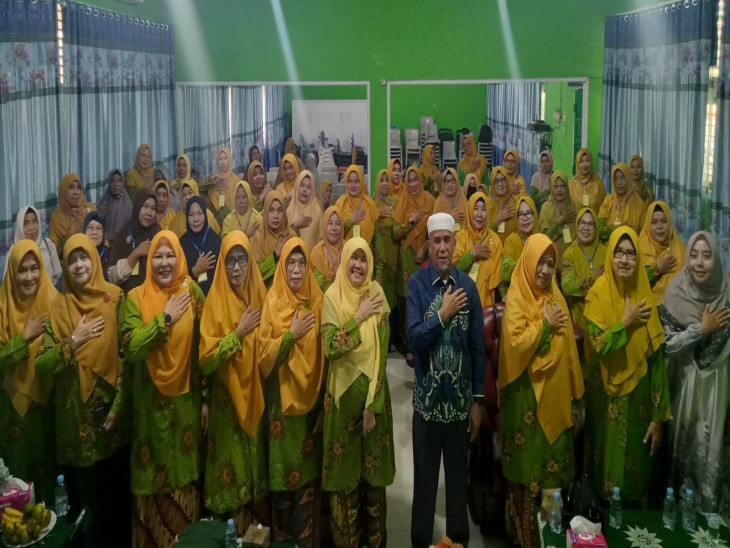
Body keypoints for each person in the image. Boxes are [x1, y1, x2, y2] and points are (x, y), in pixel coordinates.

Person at [35, 234, 128, 547]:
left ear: (94, 259)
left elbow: (126, 357)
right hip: (74, 424)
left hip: (111, 421)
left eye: (84, 257)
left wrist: (120, 404)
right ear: (64, 266)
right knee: (85, 513)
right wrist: (73, 341)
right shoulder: (57, 307)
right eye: (72, 260)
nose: (78, 266)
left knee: (115, 503)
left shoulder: (114, 297)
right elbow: (42, 365)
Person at [121, 230, 206, 548]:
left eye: (171, 255)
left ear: (180, 258)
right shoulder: (135, 298)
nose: (165, 262)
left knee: (184, 492)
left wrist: (207, 399)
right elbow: (131, 348)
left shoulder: (192, 292)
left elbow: (204, 347)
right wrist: (164, 319)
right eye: (158, 255)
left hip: (186, 411)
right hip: (149, 417)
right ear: (149, 260)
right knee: (151, 496)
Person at [498, 233, 584, 547]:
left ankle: (550, 538)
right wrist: (545, 324)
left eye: (551, 263)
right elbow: (516, 344)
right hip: (524, 404)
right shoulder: (517, 297)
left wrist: (578, 397)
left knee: (552, 481)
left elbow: (570, 352)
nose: (546, 270)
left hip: (555, 400)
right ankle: (524, 539)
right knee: (526, 479)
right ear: (528, 261)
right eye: (541, 262)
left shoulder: (556, 297)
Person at [407, 212, 485, 548]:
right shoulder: (417, 285)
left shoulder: (468, 287)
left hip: (458, 408)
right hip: (426, 408)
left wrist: (477, 402)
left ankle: (458, 543)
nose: (442, 247)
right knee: (424, 487)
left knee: (456, 485)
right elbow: (413, 339)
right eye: (436, 241)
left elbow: (477, 349)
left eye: (447, 241)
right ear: (428, 246)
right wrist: (442, 316)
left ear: (455, 245)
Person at [583, 227, 671, 505]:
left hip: (638, 406)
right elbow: (598, 344)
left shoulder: (644, 296)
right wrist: (625, 323)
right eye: (618, 252)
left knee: (635, 477)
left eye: (630, 254)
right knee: (601, 473)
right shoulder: (597, 294)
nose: (623, 259)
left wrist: (658, 418)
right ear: (610, 256)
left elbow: (656, 361)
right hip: (603, 402)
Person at [322, 237, 395, 547]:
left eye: (364, 259)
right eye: (354, 258)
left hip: (373, 405)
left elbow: (382, 356)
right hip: (341, 405)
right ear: (344, 261)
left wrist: (373, 406)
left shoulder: (377, 293)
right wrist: (359, 316)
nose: (358, 265)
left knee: (374, 484)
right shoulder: (332, 296)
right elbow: (331, 347)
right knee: (345, 483)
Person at [199, 232, 269, 533]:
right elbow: (206, 360)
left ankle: (255, 533)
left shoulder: (261, 296)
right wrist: (237, 335)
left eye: (242, 260)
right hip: (227, 403)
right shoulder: (214, 302)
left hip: (257, 395)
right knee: (232, 471)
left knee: (255, 471)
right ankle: (230, 533)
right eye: (230, 261)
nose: (237, 267)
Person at [258, 238, 326, 547]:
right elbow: (264, 359)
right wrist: (291, 336)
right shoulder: (272, 302)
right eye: (290, 264)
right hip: (281, 408)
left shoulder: (318, 301)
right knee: (282, 481)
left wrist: (323, 404)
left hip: (311, 405)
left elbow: (327, 356)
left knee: (307, 484)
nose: (296, 270)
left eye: (301, 263)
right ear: (282, 268)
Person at [659, 231, 730, 513]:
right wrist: (702, 329)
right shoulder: (675, 292)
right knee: (682, 450)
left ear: (716, 259)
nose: (700, 263)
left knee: (712, 452)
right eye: (694, 255)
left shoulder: (727, 292)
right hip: (683, 386)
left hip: (717, 390)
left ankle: (709, 517)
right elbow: (667, 346)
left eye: (707, 256)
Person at [0, 241, 58, 505]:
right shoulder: (3, 307)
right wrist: (23, 338)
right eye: (22, 270)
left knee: (52, 483)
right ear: (12, 272)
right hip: (14, 415)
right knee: (18, 490)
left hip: (49, 409)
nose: (29, 276)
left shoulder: (54, 301)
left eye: (34, 268)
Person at [393, 167, 435, 358]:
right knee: (407, 302)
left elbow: (434, 231)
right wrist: (411, 221)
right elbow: (396, 233)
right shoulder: (403, 201)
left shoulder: (430, 201)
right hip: (406, 257)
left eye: (415, 179)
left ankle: (424, 341)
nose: (413, 184)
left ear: (421, 180)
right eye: (409, 180)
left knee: (425, 299)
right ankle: (409, 346)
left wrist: (424, 249)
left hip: (426, 255)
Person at [560, 208, 607, 359]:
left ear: (596, 227)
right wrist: (593, 279)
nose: (586, 228)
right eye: (582, 223)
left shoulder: (606, 252)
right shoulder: (570, 254)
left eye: (590, 224)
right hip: (580, 321)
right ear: (577, 225)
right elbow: (567, 286)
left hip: (604, 318)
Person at [452, 192, 503, 307]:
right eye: (475, 209)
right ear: (470, 210)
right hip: (462, 302)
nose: (479, 214)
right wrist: (472, 254)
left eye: (483, 210)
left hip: (486, 304)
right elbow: (453, 270)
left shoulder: (495, 240)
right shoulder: (460, 237)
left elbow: (499, 280)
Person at [108, 191, 159, 293]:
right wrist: (135, 254)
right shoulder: (122, 235)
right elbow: (112, 277)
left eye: (153, 208)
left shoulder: (158, 235)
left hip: (153, 296)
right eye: (145, 206)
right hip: (128, 298)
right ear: (137, 207)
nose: (149, 213)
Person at [639, 201, 686, 305]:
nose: (659, 226)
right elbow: (635, 283)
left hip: (676, 307)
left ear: (670, 223)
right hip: (647, 307)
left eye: (664, 221)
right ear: (648, 224)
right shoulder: (639, 248)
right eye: (654, 222)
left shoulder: (681, 249)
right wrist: (657, 269)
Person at [335, 165, 381, 260]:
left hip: (366, 259)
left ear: (361, 182)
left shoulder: (369, 204)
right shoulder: (340, 204)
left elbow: (377, 239)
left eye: (356, 181)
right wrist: (350, 221)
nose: (353, 185)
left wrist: (379, 267)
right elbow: (334, 234)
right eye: (350, 181)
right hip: (346, 259)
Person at [250, 192, 295, 288]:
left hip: (288, 291)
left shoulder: (291, 236)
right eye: (271, 210)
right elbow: (255, 274)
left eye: (279, 211)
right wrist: (275, 255)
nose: (275, 216)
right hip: (265, 293)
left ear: (284, 213)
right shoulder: (257, 239)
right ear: (265, 213)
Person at [180, 197, 222, 296]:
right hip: (189, 299)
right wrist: (194, 272)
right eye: (191, 214)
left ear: (205, 215)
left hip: (215, 299)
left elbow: (222, 279)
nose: (196, 219)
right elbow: (181, 284)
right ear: (187, 217)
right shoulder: (181, 244)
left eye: (199, 213)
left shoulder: (216, 242)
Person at [11, 206, 62, 285]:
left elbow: (58, 275)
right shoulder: (14, 252)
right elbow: (9, 284)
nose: (32, 228)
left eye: (35, 221)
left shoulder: (48, 245)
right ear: (20, 227)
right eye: (26, 223)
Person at [371, 169, 399, 311]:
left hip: (394, 253)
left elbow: (400, 223)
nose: (384, 183)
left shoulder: (396, 200)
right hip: (378, 256)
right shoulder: (372, 203)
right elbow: (367, 226)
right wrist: (377, 213)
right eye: (381, 180)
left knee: (392, 295)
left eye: (387, 180)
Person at [598, 163, 647, 239]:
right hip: (609, 244)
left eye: (622, 178)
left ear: (628, 178)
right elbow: (600, 228)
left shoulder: (639, 204)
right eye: (616, 179)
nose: (619, 182)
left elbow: (643, 234)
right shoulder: (608, 200)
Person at [48, 173, 96, 251]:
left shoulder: (90, 209)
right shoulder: (57, 217)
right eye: (71, 187)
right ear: (63, 191)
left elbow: (102, 238)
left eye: (79, 188)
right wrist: (69, 236)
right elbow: (53, 251)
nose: (76, 192)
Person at [538, 171, 578, 262]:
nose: (559, 190)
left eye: (562, 186)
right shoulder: (546, 208)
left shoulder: (574, 206)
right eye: (555, 186)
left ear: (567, 187)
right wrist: (560, 222)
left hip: (572, 259)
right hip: (551, 260)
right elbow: (544, 237)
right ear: (551, 188)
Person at [502, 197, 539, 285]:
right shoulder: (511, 241)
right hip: (517, 290)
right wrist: (529, 262)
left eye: (528, 213)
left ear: (534, 215)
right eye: (521, 214)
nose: (525, 218)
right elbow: (505, 273)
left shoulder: (542, 240)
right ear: (516, 218)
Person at [202, 147, 239, 228]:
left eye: (225, 158)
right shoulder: (214, 179)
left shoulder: (236, 180)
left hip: (234, 220)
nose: (223, 162)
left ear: (229, 160)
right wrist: (210, 181)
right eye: (220, 159)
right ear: (217, 162)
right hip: (217, 222)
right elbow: (198, 188)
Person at [287, 170, 324, 252]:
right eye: (302, 185)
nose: (305, 190)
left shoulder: (317, 211)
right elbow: (283, 236)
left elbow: (322, 240)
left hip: (312, 257)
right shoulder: (289, 210)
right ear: (297, 186)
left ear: (313, 190)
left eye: (309, 187)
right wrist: (294, 225)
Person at [310, 206, 344, 292]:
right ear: (324, 225)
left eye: (338, 223)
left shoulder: (348, 247)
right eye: (330, 223)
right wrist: (332, 273)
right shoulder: (317, 252)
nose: (334, 228)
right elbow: (314, 285)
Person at [96, 169, 133, 244]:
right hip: (104, 243)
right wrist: (100, 213)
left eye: (119, 180)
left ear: (123, 183)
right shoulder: (104, 202)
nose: (116, 184)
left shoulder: (128, 204)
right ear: (109, 183)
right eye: (113, 181)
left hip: (122, 243)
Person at [485, 167, 518, 244]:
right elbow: (482, 235)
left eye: (503, 180)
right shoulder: (486, 204)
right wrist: (498, 220)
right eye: (496, 181)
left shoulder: (514, 203)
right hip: (491, 247)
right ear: (492, 183)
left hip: (511, 248)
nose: (500, 184)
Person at [569, 148, 606, 214]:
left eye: (587, 161)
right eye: (581, 161)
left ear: (591, 162)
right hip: (575, 220)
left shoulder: (598, 183)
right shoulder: (571, 185)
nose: (584, 165)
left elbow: (605, 206)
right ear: (577, 164)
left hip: (595, 220)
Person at [83, 212, 111, 280]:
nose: (94, 232)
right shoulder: (79, 252)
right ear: (84, 230)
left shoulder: (110, 255)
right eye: (90, 227)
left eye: (98, 228)